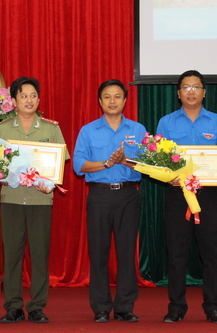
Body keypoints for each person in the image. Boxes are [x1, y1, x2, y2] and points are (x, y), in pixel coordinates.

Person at [157, 70, 217, 324]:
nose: (191, 91)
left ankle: (213, 306)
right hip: (177, 195)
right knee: (177, 254)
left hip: (209, 195)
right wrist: (166, 175)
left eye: (196, 86)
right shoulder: (166, 123)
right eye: (185, 87)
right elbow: (160, 161)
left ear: (204, 91)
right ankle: (176, 307)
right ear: (178, 93)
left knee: (211, 253)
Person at [0, 77, 70, 324]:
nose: (29, 100)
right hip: (12, 199)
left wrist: (51, 182)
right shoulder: (3, 129)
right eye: (24, 95)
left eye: (33, 95)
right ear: (14, 101)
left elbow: (59, 164)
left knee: (39, 253)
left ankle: (37, 306)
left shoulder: (51, 129)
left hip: (40, 199)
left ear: (39, 99)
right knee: (12, 254)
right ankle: (13, 306)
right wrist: (1, 174)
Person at [73, 79, 147, 323]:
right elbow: (78, 166)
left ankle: (125, 306)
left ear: (125, 100)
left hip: (128, 195)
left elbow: (149, 165)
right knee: (99, 252)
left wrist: (125, 161)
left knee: (127, 253)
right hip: (100, 195)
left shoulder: (138, 130)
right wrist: (107, 162)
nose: (112, 101)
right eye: (107, 97)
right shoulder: (88, 130)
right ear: (100, 101)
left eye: (117, 96)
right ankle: (101, 307)